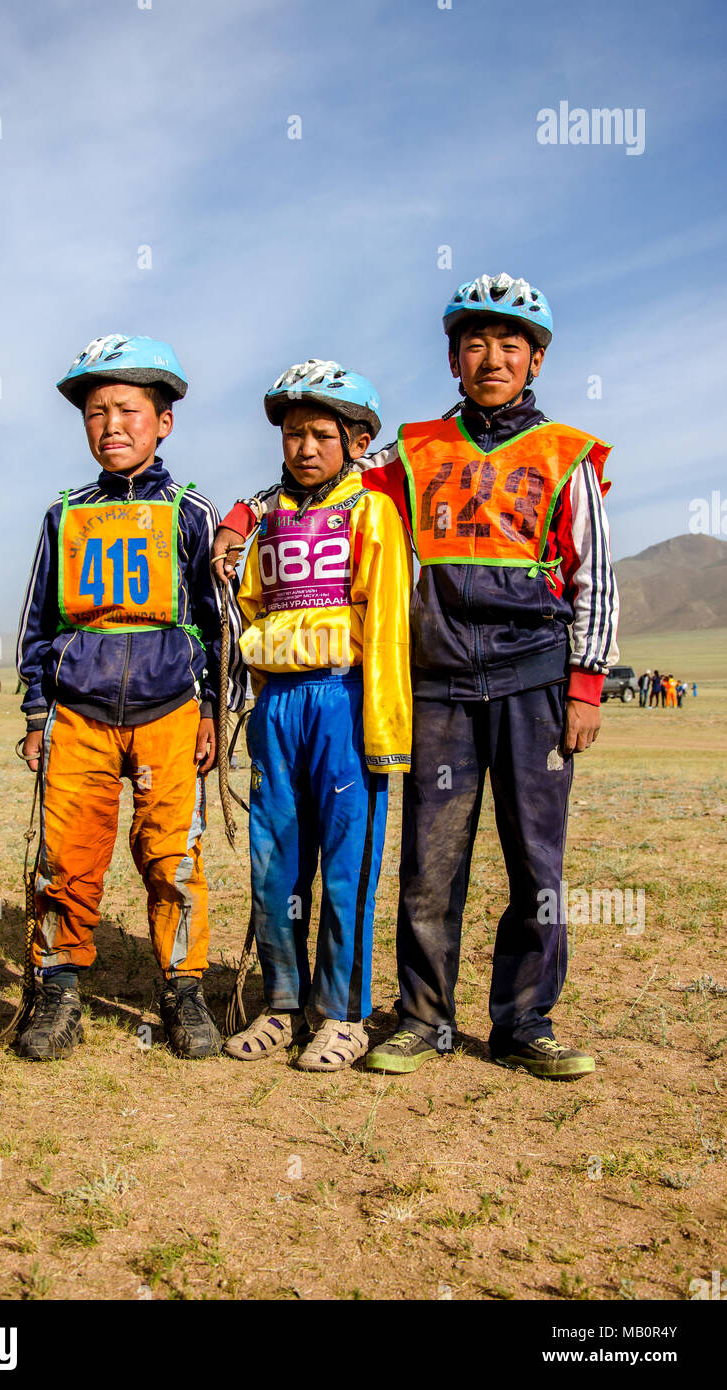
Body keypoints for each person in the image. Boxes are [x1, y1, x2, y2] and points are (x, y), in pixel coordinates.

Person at [214, 273, 619, 1081]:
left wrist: (584, 686)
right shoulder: (413, 447)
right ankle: (425, 1018)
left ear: (535, 360)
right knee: (430, 862)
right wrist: (239, 514)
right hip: (435, 681)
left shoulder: (564, 452)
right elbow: (319, 481)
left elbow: (594, 577)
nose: (490, 357)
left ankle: (523, 1023)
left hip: (533, 678)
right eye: (474, 343)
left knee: (536, 860)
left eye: (509, 344)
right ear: (452, 357)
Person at [16, 333, 246, 1062]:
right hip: (77, 713)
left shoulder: (191, 510)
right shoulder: (64, 513)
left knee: (172, 858)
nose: (110, 425)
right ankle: (56, 987)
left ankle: (182, 989)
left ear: (163, 420)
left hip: (170, 710)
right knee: (64, 859)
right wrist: (33, 711)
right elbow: (38, 619)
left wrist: (212, 709)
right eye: (95, 412)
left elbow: (217, 623)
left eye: (126, 410)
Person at [222, 361, 411, 1071]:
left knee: (344, 872)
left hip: (344, 698)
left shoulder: (372, 512)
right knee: (274, 868)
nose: (304, 448)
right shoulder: (265, 518)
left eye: (321, 435)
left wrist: (386, 733)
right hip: (276, 703)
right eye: (294, 434)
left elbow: (389, 624)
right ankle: (280, 1004)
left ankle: (342, 1014)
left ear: (358, 441)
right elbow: (245, 607)